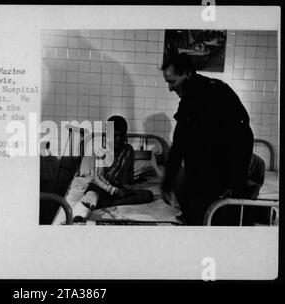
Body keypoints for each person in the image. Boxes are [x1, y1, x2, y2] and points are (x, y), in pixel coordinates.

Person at [160, 53, 254, 225]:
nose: (170, 88)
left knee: (212, 215)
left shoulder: (213, 94)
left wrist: (235, 183)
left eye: (172, 81)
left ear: (187, 74)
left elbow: (243, 137)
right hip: (210, 168)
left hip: (224, 167)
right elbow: (181, 142)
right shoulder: (194, 95)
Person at [72, 116, 153, 222]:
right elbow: (98, 178)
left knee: (148, 195)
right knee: (90, 197)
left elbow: (129, 174)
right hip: (101, 187)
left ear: (125, 134)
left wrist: (130, 186)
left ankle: (107, 204)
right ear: (108, 135)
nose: (119, 139)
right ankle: (79, 214)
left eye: (122, 135)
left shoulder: (129, 150)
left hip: (119, 187)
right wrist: (113, 191)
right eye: (115, 136)